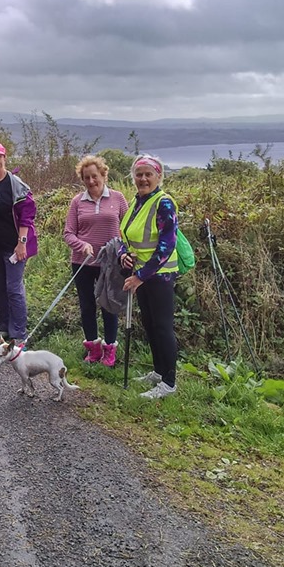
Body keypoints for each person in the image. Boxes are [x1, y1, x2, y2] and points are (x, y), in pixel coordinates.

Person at [119, 155, 179, 399]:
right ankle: (158, 371)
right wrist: (123, 255)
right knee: (150, 324)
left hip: (159, 275)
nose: (143, 179)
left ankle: (169, 383)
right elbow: (125, 237)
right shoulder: (137, 201)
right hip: (142, 274)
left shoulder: (163, 203)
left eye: (148, 174)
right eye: (139, 174)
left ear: (158, 176)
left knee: (163, 327)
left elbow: (167, 245)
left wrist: (140, 277)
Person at [64, 155, 129, 366]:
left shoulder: (118, 198)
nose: (91, 181)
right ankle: (93, 349)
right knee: (87, 306)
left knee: (109, 305)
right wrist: (82, 245)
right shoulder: (77, 202)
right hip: (82, 263)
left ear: (103, 174)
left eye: (94, 176)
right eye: (86, 178)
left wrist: (124, 253)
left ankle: (110, 350)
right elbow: (68, 233)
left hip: (110, 264)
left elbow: (128, 229)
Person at [0, 142, 37, 345]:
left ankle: (19, 333)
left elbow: (27, 216)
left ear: (4, 158)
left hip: (13, 247)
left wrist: (22, 243)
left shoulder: (15, 184)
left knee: (13, 289)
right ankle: (4, 329)